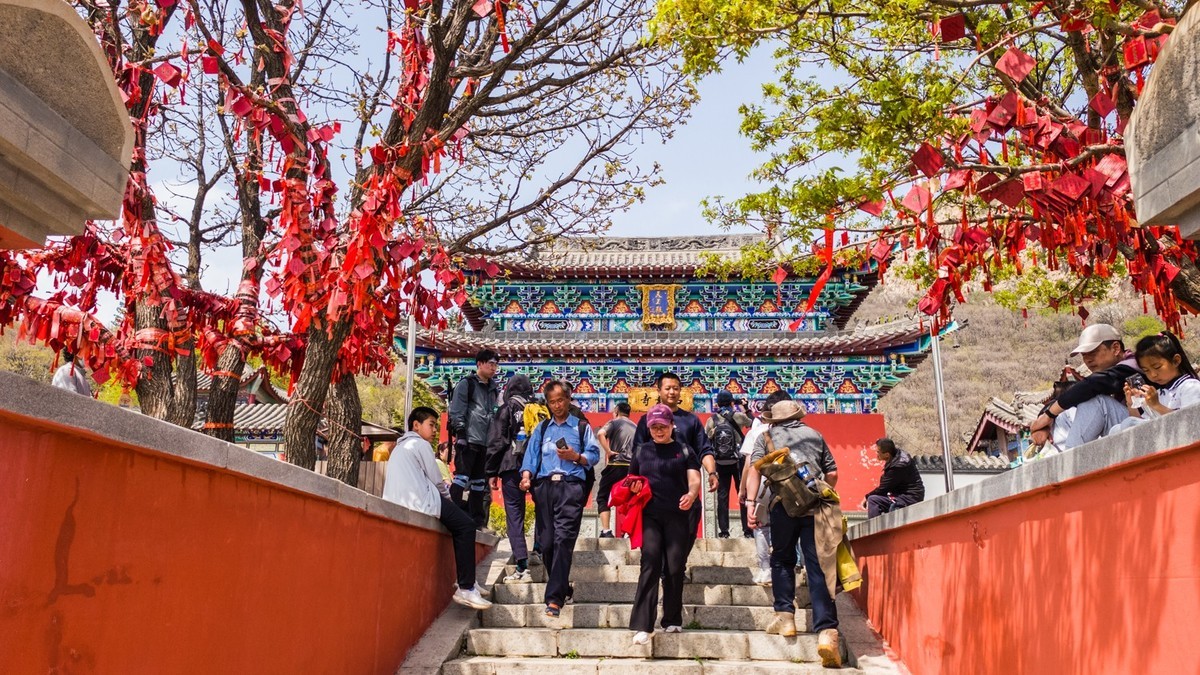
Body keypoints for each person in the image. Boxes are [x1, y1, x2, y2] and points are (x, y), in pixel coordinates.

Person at [745, 399, 841, 668]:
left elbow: (754, 472)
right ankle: (827, 632)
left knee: (782, 559)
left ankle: (785, 617)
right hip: (814, 507)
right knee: (818, 565)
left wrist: (751, 504)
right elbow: (832, 473)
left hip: (782, 506)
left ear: (773, 419)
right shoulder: (815, 435)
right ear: (798, 416)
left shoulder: (765, 436)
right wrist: (820, 491)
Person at [383, 407, 492, 611]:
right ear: (416, 425)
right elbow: (438, 482)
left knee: (462, 522)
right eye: (431, 425)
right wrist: (450, 501)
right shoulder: (420, 444)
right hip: (423, 500)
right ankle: (466, 587)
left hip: (403, 501)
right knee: (467, 526)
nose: (434, 430)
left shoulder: (400, 447)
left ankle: (468, 581)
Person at [519, 380, 601, 617]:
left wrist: (576, 456)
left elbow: (594, 455)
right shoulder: (542, 428)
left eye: (560, 400)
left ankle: (554, 600)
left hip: (571, 487)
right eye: (552, 402)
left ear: (568, 399)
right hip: (545, 488)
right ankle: (563, 588)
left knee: (563, 540)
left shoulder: (581, 427)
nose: (557, 405)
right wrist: (526, 477)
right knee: (546, 543)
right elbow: (531, 457)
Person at [626, 404, 702, 645]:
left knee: (674, 567)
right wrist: (633, 487)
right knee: (650, 561)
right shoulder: (642, 451)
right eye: (654, 427)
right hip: (649, 515)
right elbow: (631, 479)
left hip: (678, 515)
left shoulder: (684, 450)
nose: (659, 431)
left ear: (672, 426)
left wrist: (691, 494)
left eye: (663, 426)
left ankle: (672, 618)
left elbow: (694, 478)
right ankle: (643, 625)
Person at [633, 372, 715, 554]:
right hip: (654, 496)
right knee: (654, 547)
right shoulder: (646, 420)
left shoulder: (691, 420)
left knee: (685, 540)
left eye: (676, 388)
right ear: (659, 391)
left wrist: (712, 472)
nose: (672, 392)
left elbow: (704, 449)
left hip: (686, 492)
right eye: (668, 388)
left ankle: (677, 566)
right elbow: (637, 454)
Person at [1029, 324, 1139, 450]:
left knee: (1097, 402)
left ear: (1115, 348)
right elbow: (1071, 395)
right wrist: (1045, 423)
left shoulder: (1133, 365)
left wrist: (1049, 415)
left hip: (1147, 426)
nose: (1087, 360)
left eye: (1092, 352)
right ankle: (1064, 455)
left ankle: (1071, 458)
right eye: (1084, 355)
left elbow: (1091, 386)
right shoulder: (1102, 378)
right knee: (1066, 412)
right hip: (1127, 429)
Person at [739, 390, 795, 585]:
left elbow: (749, 464)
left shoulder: (757, 432)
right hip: (790, 485)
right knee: (792, 525)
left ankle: (766, 570)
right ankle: (793, 566)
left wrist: (744, 490)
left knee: (761, 527)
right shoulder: (798, 431)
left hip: (762, 485)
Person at [485, 374, 537, 582]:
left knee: (514, 515)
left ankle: (522, 564)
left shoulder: (506, 409)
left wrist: (491, 471)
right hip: (536, 467)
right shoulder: (539, 409)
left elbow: (497, 441)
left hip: (511, 466)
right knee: (544, 510)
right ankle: (539, 550)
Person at [448, 349, 501, 528]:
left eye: (496, 365)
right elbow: (457, 410)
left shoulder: (493, 389)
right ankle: (451, 513)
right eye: (490, 364)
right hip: (469, 439)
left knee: (479, 482)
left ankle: (477, 520)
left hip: (485, 442)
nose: (494, 368)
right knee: (462, 478)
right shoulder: (467, 384)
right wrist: (460, 433)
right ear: (479, 364)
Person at [1111, 331, 1200, 433]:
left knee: (1129, 423)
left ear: (1176, 361)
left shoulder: (1190, 386)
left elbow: (1190, 422)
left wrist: (1157, 405)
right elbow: (1141, 421)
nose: (1153, 374)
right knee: (1116, 429)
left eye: (1157, 367)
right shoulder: (1158, 394)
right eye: (1146, 370)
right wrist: (1131, 404)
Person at [704, 390, 753, 538]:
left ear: (717, 404)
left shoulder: (712, 419)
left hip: (720, 461)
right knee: (743, 493)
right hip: (739, 460)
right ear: (732, 402)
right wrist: (746, 408)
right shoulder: (738, 416)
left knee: (722, 496)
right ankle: (747, 531)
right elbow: (753, 423)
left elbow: (706, 437)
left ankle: (724, 531)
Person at [596, 402, 637, 538]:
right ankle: (629, 532)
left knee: (603, 496)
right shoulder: (635, 426)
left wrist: (608, 451)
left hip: (616, 464)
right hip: (632, 467)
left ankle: (606, 530)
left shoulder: (614, 422)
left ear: (616, 411)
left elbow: (600, 433)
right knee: (631, 499)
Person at [859, 438, 924, 518]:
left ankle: (874, 526)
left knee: (873, 500)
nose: (877, 454)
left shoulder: (897, 467)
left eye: (878, 452)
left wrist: (867, 497)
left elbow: (883, 488)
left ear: (887, 454)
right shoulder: (897, 457)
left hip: (909, 497)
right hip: (905, 495)